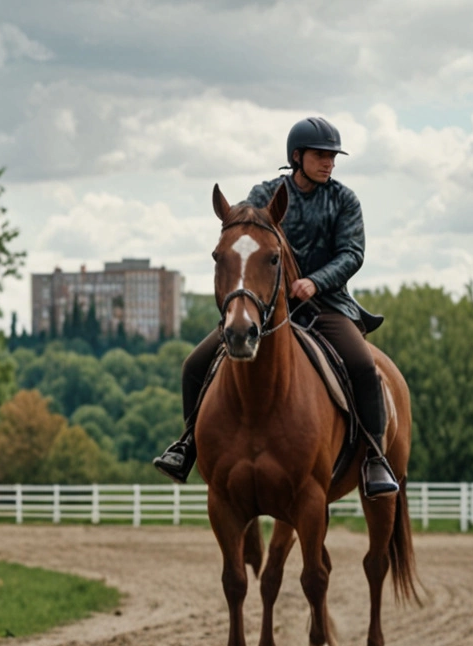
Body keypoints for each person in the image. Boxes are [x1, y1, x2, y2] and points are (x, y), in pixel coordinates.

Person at [152, 116, 400, 498]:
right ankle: (188, 445)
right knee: (193, 366)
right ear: (297, 156)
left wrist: (316, 281)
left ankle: (374, 458)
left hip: (326, 305)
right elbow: (245, 236)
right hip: (263, 308)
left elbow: (353, 253)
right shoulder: (265, 194)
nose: (329, 163)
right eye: (321, 155)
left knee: (364, 367)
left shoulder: (345, 200)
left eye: (333, 157)